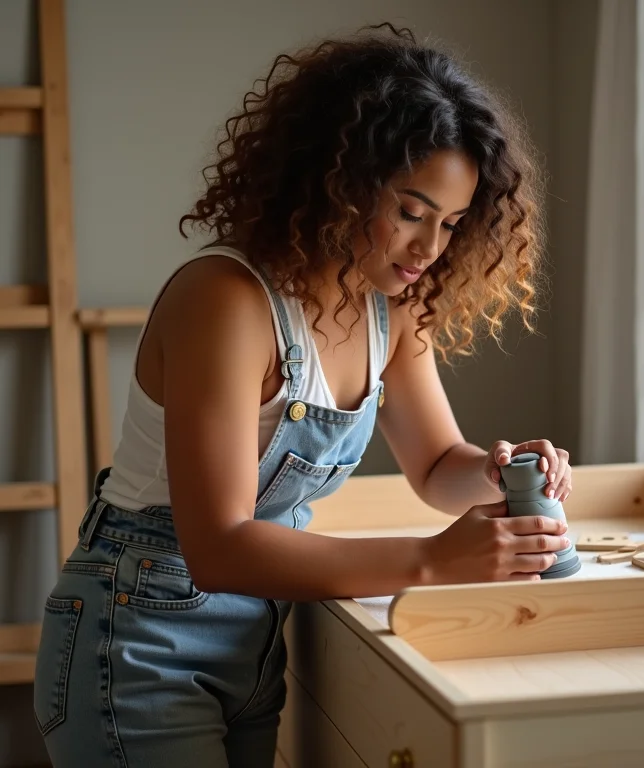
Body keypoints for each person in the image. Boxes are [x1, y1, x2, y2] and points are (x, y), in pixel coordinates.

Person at [34, 23, 573, 768]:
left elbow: (437, 463)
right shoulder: (227, 300)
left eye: (450, 224)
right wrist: (431, 562)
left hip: (254, 639)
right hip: (136, 635)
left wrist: (495, 472)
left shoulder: (391, 308)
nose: (429, 250)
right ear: (341, 179)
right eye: (412, 212)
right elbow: (218, 546)